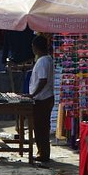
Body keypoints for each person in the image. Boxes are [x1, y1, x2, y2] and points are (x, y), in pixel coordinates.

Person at [27, 35, 54, 163]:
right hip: (45, 97)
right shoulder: (47, 59)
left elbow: (43, 80)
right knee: (42, 127)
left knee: (40, 128)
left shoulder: (43, 61)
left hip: (42, 99)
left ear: (36, 47)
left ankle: (43, 154)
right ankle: (42, 152)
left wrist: (33, 94)